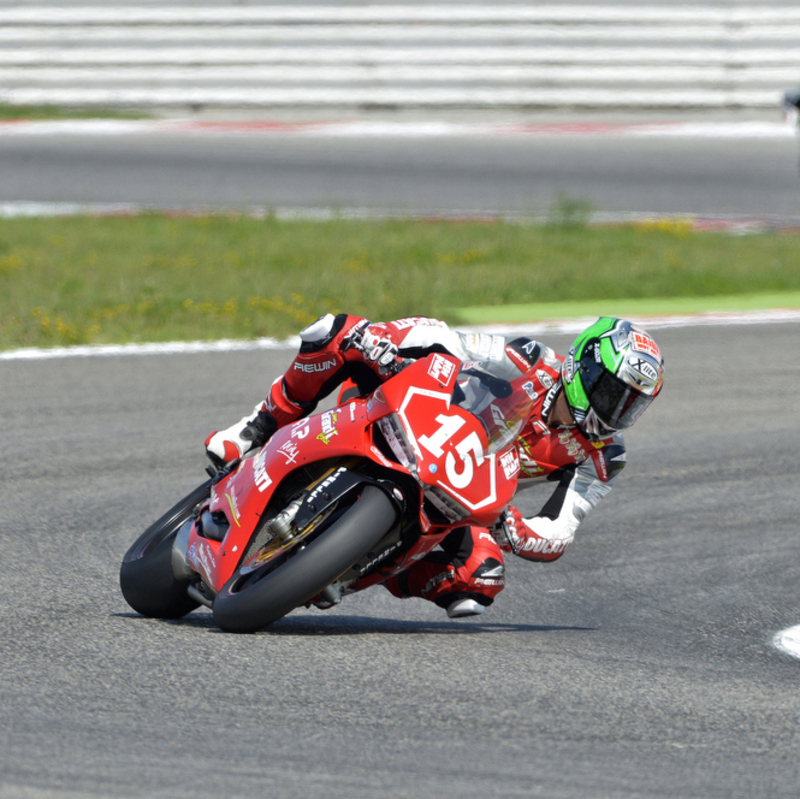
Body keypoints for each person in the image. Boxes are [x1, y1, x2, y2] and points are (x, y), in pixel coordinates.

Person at [206, 313, 664, 619]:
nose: (616, 410)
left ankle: (346, 568)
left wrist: (516, 530)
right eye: (612, 392)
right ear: (584, 366)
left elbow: (561, 530)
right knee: (339, 333)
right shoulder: (531, 360)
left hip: (459, 498)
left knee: (481, 577)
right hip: (412, 416)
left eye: (631, 405)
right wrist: (389, 344)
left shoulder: (603, 455)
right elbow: (455, 344)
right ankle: (257, 426)